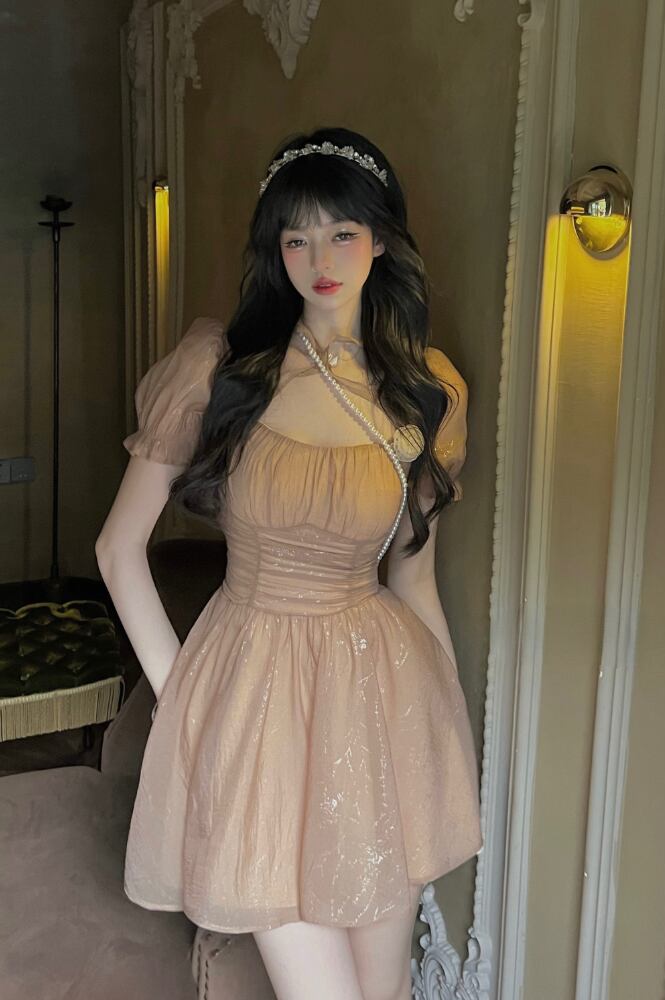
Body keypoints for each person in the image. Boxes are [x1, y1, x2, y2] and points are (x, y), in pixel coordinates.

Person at [95, 126, 483, 1000]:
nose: (320, 259)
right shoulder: (223, 376)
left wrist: (443, 728)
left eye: (342, 232)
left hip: (379, 705)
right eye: (296, 237)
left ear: (381, 239)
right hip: (255, 698)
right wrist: (186, 704)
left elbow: (412, 576)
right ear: (276, 250)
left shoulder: (425, 391)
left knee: (384, 991)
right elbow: (118, 552)